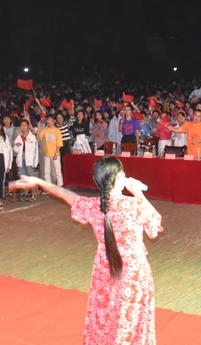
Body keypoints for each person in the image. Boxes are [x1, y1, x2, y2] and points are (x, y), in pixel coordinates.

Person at [14, 156, 162, 344]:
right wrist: (137, 192)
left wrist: (39, 181)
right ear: (119, 176)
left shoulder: (93, 206)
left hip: (104, 270)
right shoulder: (134, 205)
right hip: (133, 273)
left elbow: (63, 193)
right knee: (131, 321)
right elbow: (155, 226)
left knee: (104, 318)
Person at [13, 118, 39, 201]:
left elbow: (36, 151)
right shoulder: (18, 137)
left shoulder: (32, 137)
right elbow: (15, 149)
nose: (23, 127)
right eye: (22, 125)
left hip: (30, 159)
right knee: (23, 177)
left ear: (28, 126)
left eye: (25, 125)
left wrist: (35, 162)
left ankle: (33, 194)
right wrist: (17, 145)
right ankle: (25, 193)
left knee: (30, 177)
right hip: (21, 158)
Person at [38, 114, 64, 188]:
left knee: (57, 171)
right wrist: (39, 127)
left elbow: (59, 143)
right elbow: (39, 138)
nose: (48, 121)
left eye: (50, 120)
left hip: (55, 154)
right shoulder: (45, 129)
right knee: (46, 171)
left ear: (54, 121)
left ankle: (60, 185)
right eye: (47, 120)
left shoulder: (57, 131)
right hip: (46, 153)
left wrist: (56, 153)